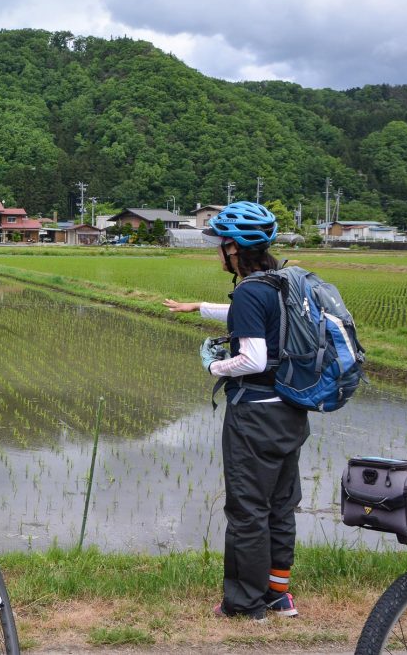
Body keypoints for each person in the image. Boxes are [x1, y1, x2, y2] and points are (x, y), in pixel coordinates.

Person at [163, 201, 307, 621]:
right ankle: (278, 596)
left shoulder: (250, 290)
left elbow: (253, 359)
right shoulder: (280, 282)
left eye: (220, 246)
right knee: (280, 505)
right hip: (290, 412)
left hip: (255, 418)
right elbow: (259, 317)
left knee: (247, 510)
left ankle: (244, 603)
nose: (217, 253)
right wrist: (198, 307)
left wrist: (213, 365)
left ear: (233, 250)